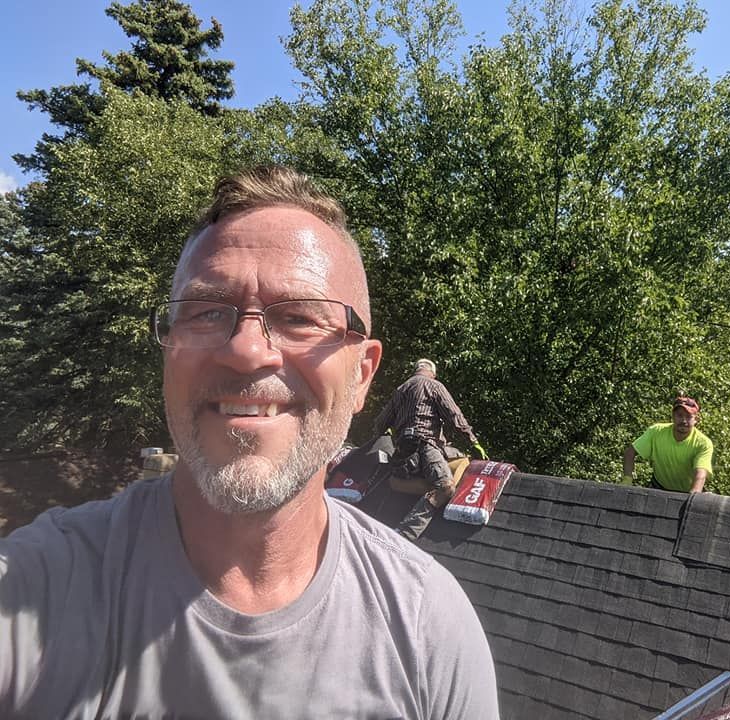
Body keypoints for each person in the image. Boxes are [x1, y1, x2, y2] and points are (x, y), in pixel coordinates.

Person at [0, 166, 499, 719]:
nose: (246, 351)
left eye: (300, 317)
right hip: (421, 448)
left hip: (402, 450)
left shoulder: (429, 627)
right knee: (438, 486)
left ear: (361, 375)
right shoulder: (34, 587)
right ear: (168, 350)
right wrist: (468, 439)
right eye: (207, 312)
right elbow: (449, 416)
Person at [371, 358, 487, 540]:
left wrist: (385, 433)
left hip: (402, 454)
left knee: (403, 483)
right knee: (445, 487)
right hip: (425, 446)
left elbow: (380, 423)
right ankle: (404, 533)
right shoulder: (434, 385)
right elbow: (454, 416)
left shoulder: (401, 389)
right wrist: (473, 441)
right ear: (433, 373)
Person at [622, 395, 713, 493]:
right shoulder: (656, 432)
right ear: (673, 416)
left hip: (687, 493)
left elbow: (700, 473)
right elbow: (630, 453)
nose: (684, 421)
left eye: (688, 416)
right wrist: (628, 480)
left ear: (696, 419)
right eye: (679, 415)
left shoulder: (703, 443)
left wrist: (695, 493)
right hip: (658, 488)